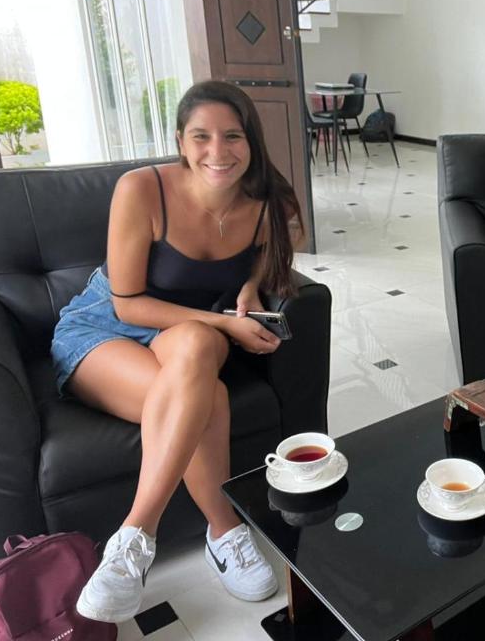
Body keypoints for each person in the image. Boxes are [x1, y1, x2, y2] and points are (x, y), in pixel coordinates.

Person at [50, 80, 302, 623]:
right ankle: (203, 532)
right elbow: (127, 304)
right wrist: (226, 323)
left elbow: (280, 243)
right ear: (180, 142)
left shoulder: (266, 201)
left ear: (252, 141)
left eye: (232, 136)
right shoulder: (142, 189)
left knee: (197, 344)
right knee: (207, 391)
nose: (218, 151)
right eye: (201, 136)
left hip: (184, 336)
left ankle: (135, 539)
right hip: (106, 326)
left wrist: (250, 287)